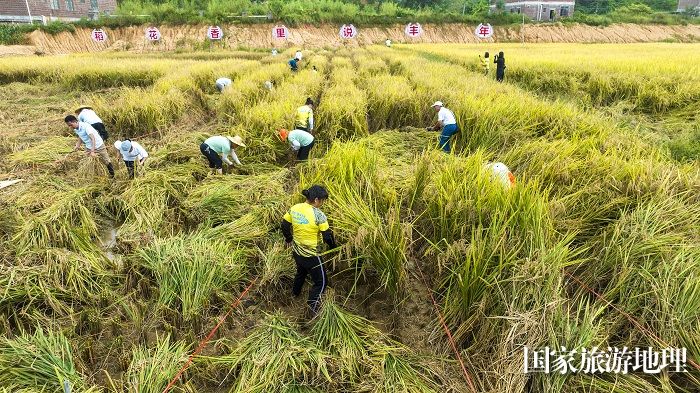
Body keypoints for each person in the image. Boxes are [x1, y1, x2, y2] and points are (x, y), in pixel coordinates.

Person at [281, 185, 336, 314]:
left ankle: (295, 294)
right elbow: (327, 236)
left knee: (301, 272)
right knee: (321, 282)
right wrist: (334, 248)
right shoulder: (319, 215)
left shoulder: (295, 208)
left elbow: (284, 224)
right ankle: (313, 307)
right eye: (322, 200)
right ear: (316, 200)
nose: (322, 203)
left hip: (297, 252)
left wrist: (289, 238)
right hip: (312, 255)